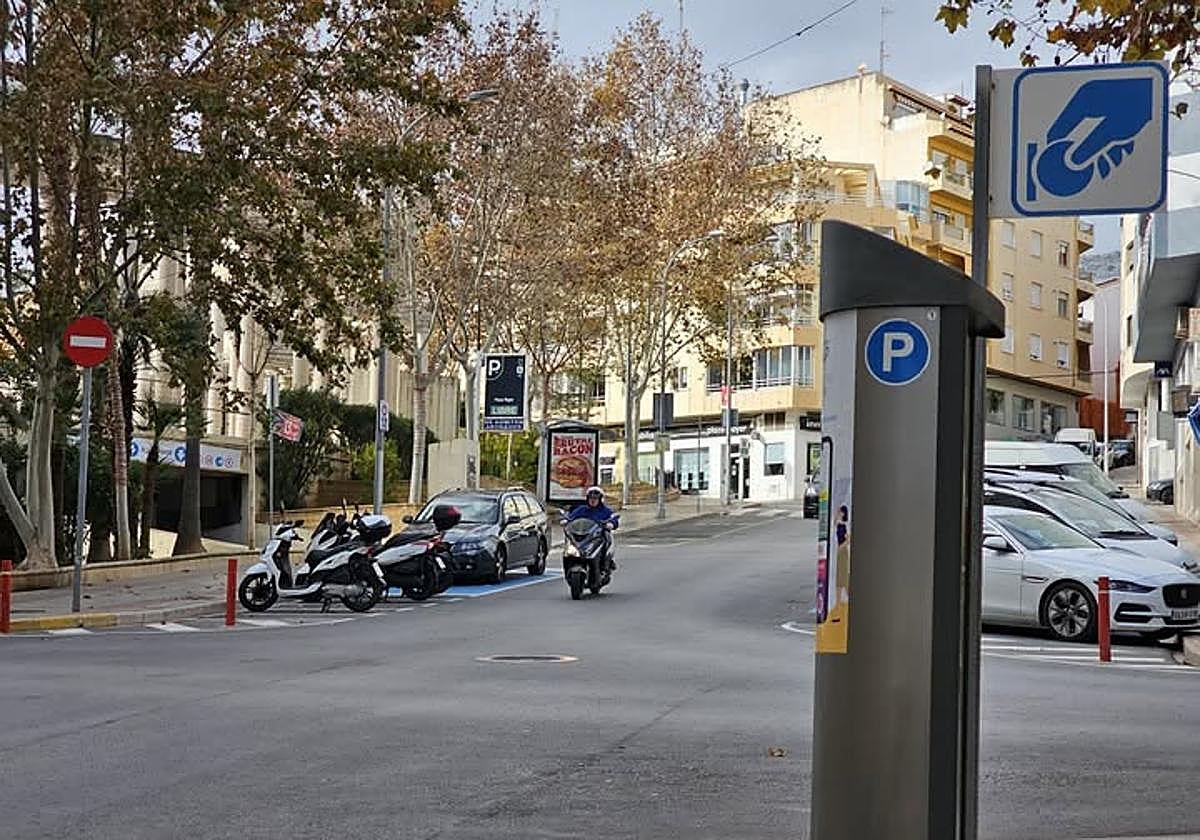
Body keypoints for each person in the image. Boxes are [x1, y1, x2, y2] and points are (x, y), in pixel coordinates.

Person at [566, 486, 619, 568]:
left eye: (595, 498)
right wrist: (565, 520)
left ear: (600, 499)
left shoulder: (605, 511)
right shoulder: (581, 509)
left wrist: (611, 524)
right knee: (570, 543)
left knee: (607, 537)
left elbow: (613, 518)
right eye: (590, 498)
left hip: (597, 536)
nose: (593, 500)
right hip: (584, 535)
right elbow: (571, 517)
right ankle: (570, 562)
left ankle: (606, 561)